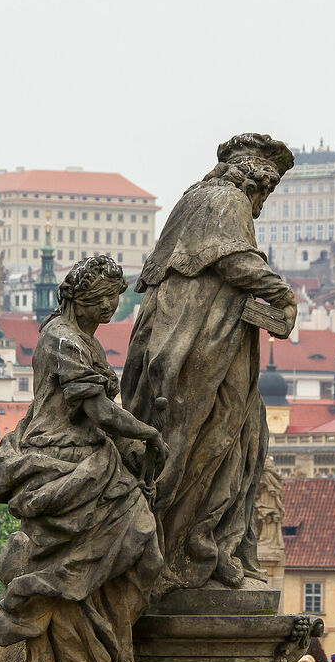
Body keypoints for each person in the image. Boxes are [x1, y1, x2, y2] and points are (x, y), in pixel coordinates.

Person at [0, 255, 166, 662]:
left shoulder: (85, 340)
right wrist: (149, 434)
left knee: (143, 554)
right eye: (102, 299)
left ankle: (109, 657)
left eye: (114, 300)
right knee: (81, 571)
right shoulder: (62, 339)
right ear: (78, 297)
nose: (109, 309)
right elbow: (99, 411)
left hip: (96, 459)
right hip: (66, 461)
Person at [121, 133, 296, 596]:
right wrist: (283, 295)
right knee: (211, 440)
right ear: (254, 179)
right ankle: (188, 548)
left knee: (233, 438)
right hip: (201, 346)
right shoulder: (226, 199)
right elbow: (235, 260)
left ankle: (199, 543)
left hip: (192, 339)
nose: (261, 204)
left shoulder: (192, 199)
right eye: (266, 190)